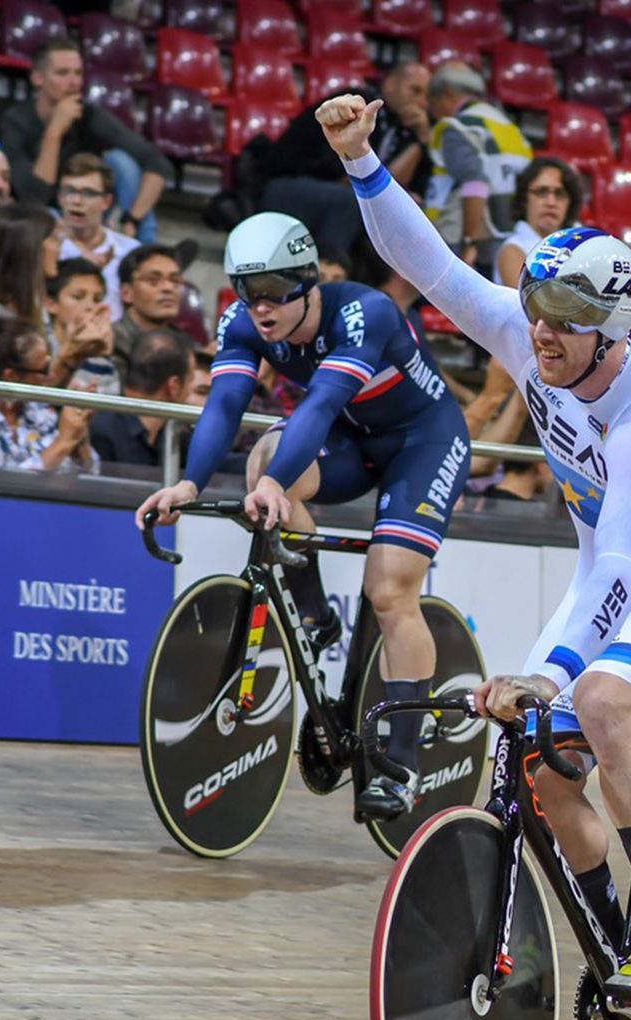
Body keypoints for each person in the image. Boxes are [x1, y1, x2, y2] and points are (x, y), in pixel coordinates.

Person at [320, 92, 631, 1005]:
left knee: (598, 697)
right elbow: (430, 266)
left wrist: (551, 674)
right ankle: (609, 946)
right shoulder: (534, 342)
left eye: (562, 315)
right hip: (613, 589)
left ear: (612, 326)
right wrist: (363, 161)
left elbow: (624, 563)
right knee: (532, 762)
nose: (540, 329)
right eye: (535, 308)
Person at [134, 212, 474, 821]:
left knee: (390, 591)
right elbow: (226, 404)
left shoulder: (363, 313)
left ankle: (400, 765)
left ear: (308, 280)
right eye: (246, 289)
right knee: (264, 450)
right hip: (353, 440)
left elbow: (318, 405)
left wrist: (272, 485)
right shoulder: (243, 323)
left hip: (421, 442)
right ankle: (313, 613)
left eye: (274, 290)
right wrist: (186, 483)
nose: (259, 306)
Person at [253, 61, 433, 256]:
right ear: (390, 85)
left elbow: (410, 186)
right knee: (351, 201)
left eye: (426, 96)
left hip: (338, 194)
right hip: (286, 185)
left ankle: (386, 284)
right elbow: (350, 180)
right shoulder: (355, 106)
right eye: (415, 91)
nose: (422, 103)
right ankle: (331, 269)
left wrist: (422, 141)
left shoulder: (409, 129)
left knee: (408, 214)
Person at [0, 39, 169, 242]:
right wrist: (54, 132)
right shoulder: (13, 122)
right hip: (40, 215)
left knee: (123, 162)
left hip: (88, 211)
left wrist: (132, 217)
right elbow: (34, 197)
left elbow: (157, 162)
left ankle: (147, 251)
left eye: (78, 73)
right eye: (62, 73)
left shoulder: (89, 114)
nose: (73, 82)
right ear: (37, 78)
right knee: (47, 216)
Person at [423, 61, 533, 252]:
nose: (433, 113)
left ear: (448, 93)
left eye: (432, 103)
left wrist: (469, 241)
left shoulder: (459, 127)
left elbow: (475, 183)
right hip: (508, 234)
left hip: (460, 235)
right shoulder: (511, 129)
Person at [0, 309, 94, 473]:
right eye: (44, 369)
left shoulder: (39, 411)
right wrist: (65, 441)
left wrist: (79, 434)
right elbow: (7, 486)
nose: (51, 375)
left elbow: (91, 473)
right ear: (12, 376)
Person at [89, 327, 195, 469]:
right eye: (190, 380)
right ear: (174, 386)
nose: (190, 391)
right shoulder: (101, 433)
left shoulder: (173, 435)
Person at [47, 154, 138, 314]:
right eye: (69, 191)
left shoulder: (130, 251)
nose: (76, 200)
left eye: (87, 193)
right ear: (60, 197)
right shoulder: (46, 248)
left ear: (107, 202)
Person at [497, 156, 583, 288]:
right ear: (524, 199)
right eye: (541, 192)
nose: (551, 202)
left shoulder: (581, 246)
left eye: (559, 194)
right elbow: (533, 305)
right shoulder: (512, 249)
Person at [110, 244, 187, 380]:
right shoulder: (110, 343)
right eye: (153, 280)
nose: (168, 288)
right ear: (127, 292)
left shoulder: (186, 345)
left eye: (175, 280)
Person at [47, 259, 119, 397]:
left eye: (97, 299)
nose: (90, 306)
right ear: (51, 304)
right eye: (78, 297)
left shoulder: (104, 367)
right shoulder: (36, 353)